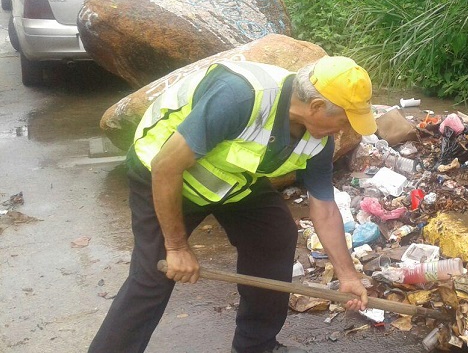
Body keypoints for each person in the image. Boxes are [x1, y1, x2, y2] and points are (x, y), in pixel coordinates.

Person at [89, 56, 374, 353]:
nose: (341, 131)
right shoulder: (240, 97)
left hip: (232, 180)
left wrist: (348, 276)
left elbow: (325, 209)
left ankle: (255, 346)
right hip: (163, 174)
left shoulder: (318, 140)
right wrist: (176, 248)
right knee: (153, 275)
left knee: (274, 236)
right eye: (342, 121)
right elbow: (166, 167)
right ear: (316, 107)